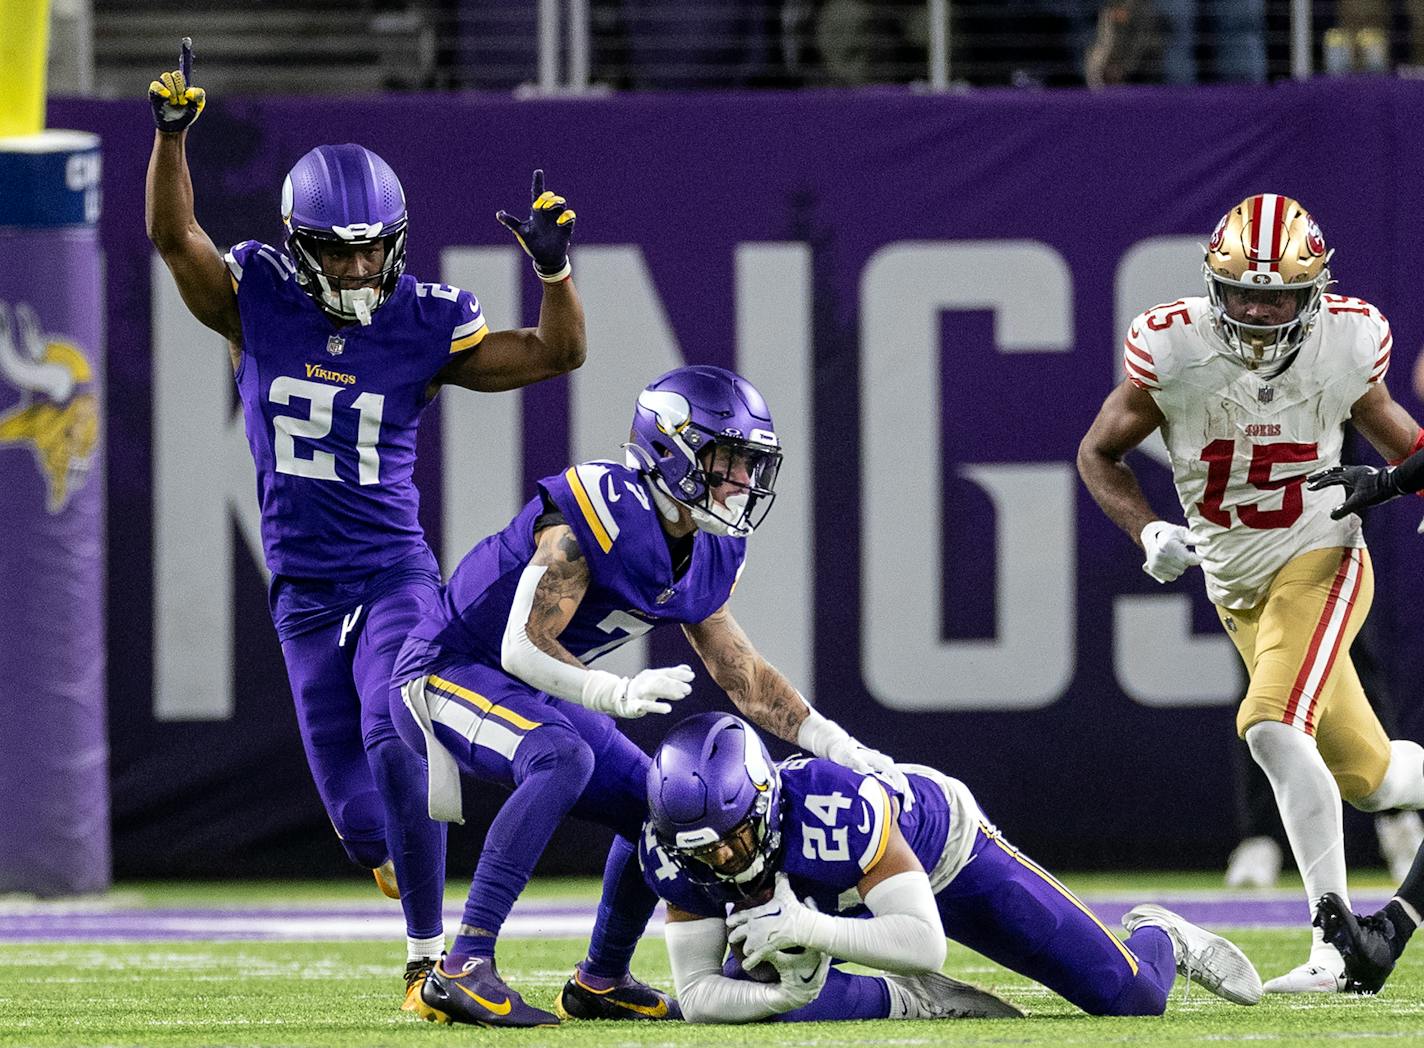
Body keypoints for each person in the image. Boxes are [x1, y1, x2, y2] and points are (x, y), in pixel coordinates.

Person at [145, 39, 586, 1014]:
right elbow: (178, 242)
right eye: (336, 246)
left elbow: (558, 353)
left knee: (401, 730)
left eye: (369, 244)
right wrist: (172, 139)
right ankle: (406, 879)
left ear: (396, 238)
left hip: (391, 574)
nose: (355, 263)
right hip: (302, 592)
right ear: (299, 244)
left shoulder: (420, 319)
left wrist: (555, 272)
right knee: (364, 830)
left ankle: (429, 966)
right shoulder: (256, 295)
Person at [391, 364, 906, 1027]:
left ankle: (600, 979)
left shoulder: (710, 547)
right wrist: (613, 690)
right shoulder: (602, 506)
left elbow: (740, 673)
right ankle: (464, 963)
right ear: (672, 449)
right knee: (562, 758)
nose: (742, 482)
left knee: (658, 807)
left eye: (751, 465)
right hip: (445, 672)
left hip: (527, 689)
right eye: (727, 462)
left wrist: (836, 742)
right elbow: (521, 643)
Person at [1078, 193, 1424, 994]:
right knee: (1369, 781)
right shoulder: (1171, 347)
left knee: (1268, 725)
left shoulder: (1346, 341)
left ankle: (1336, 947)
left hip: (1322, 557)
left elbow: (1402, 441)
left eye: (1279, 295)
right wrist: (1148, 531)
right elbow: (1100, 453)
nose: (1261, 311)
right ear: (1212, 285)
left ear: (1315, 291)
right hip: (1236, 586)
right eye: (1244, 293)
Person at [641, 712, 1262, 1023]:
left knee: (1131, 998)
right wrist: (784, 993)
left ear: (766, 801)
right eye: (700, 850)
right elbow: (696, 996)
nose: (720, 859)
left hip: (945, 862)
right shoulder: (676, 847)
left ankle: (1161, 935)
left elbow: (923, 940)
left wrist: (810, 929)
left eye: (733, 837)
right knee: (755, 1003)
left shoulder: (835, 811)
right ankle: (906, 1002)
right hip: (826, 899)